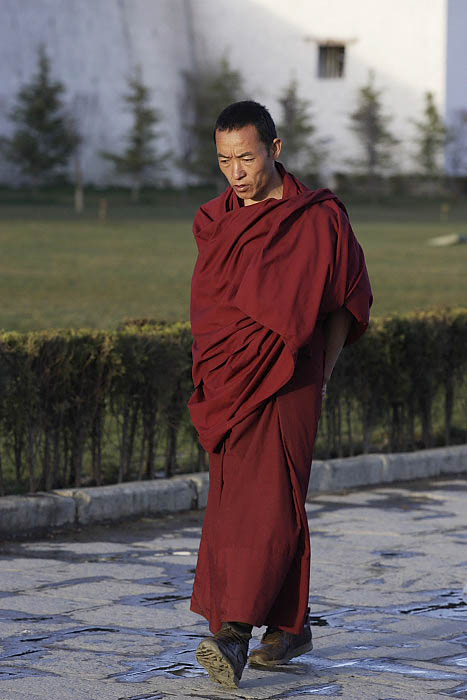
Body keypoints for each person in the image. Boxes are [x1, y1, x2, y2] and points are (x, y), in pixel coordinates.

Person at [188, 100, 372, 689]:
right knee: (238, 500)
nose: (235, 173)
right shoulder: (215, 221)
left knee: (270, 500)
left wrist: (323, 368)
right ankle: (290, 628)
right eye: (224, 160)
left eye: (246, 157)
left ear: (275, 149)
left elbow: (347, 296)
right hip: (230, 378)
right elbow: (213, 310)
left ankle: (235, 633)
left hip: (292, 377)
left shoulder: (317, 218)